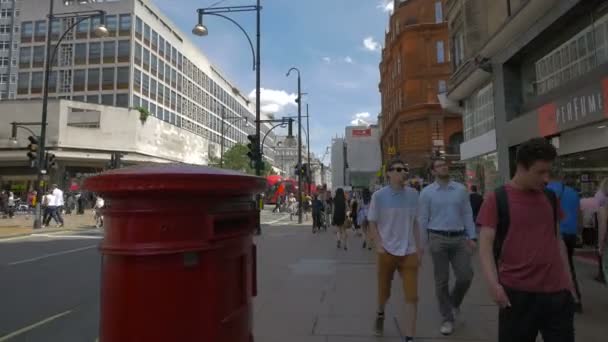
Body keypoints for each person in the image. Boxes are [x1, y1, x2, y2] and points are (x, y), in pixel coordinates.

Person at [477, 137, 576, 342]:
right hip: (517, 295)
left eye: (549, 171)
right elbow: (485, 245)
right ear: (521, 167)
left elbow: (557, 241)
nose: (546, 178)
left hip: (557, 294)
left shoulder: (550, 198)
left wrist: (569, 285)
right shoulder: (497, 199)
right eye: (540, 172)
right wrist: (494, 285)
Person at [418, 158, 476, 336]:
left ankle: (453, 303)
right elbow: (422, 219)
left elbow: (467, 213)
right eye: (439, 166)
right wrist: (421, 244)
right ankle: (447, 318)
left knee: (466, 275)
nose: (443, 167)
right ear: (433, 171)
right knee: (441, 280)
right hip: (437, 238)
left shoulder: (460, 190)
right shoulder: (427, 193)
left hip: (458, 238)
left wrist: (472, 236)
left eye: (445, 165)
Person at [369, 159, 422, 342]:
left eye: (404, 169)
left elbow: (415, 222)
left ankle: (409, 337)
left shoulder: (414, 194)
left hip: (409, 251)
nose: (403, 172)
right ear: (389, 173)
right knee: (384, 292)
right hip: (387, 252)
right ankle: (380, 312)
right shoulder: (379, 196)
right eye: (398, 170)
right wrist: (379, 245)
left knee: (412, 296)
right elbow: (372, 222)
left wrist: (419, 248)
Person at [547, 167, 583, 313]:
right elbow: (579, 214)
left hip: (555, 234)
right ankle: (576, 298)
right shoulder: (573, 192)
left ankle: (560, 299)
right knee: (569, 265)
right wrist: (579, 232)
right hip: (571, 233)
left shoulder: (546, 191)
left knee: (553, 266)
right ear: (561, 177)